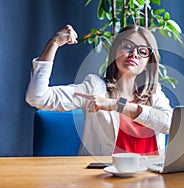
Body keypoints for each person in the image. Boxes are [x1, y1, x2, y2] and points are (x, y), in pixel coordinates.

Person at [26, 24, 173, 156]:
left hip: (149, 179)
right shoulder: (95, 87)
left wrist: (117, 105)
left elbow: (170, 125)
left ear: (148, 63)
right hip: (103, 179)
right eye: (128, 46)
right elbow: (38, 97)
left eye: (142, 51)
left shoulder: (155, 94)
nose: (134, 53)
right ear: (115, 52)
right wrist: (54, 43)